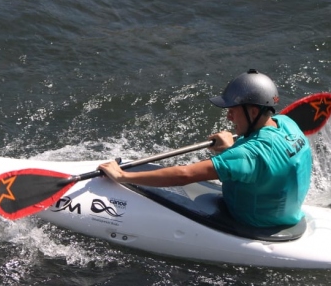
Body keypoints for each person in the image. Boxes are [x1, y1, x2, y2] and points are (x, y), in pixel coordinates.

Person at [98, 69, 312, 228]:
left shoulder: (249, 154)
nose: (228, 116)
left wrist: (122, 176)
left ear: (254, 111)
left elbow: (184, 175)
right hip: (285, 214)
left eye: (233, 110)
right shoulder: (287, 124)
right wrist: (230, 148)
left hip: (252, 221)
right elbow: (267, 160)